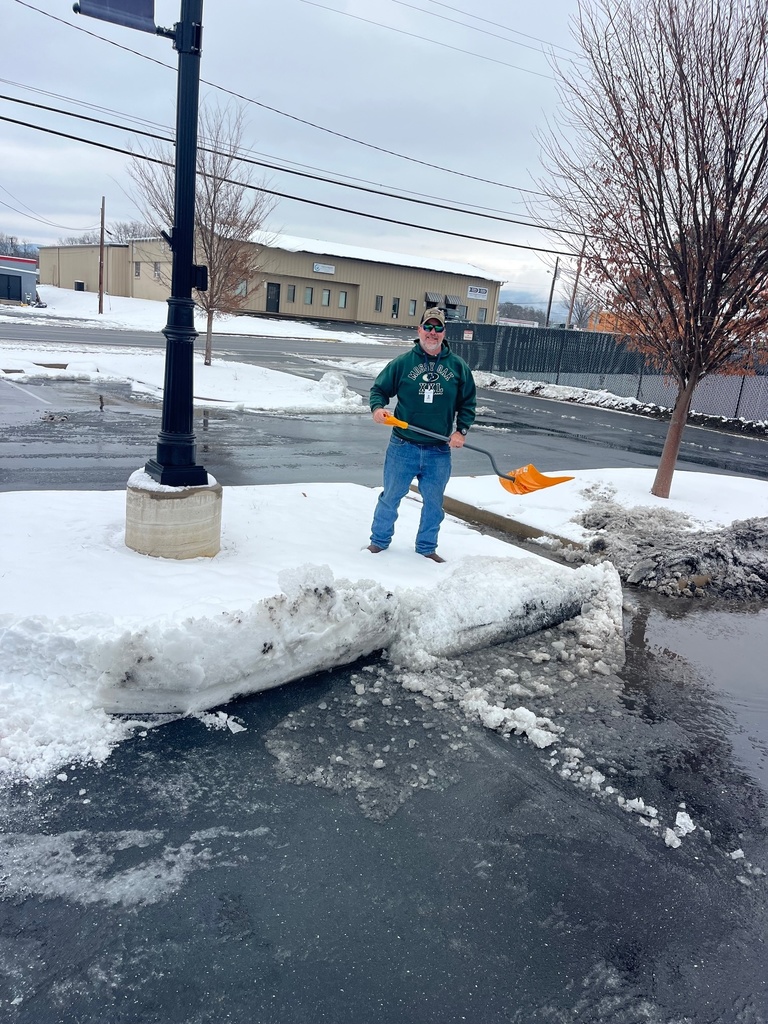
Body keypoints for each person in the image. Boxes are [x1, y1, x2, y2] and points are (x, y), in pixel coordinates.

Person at [367, 307, 476, 562]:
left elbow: (468, 402)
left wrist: (461, 431)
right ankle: (378, 542)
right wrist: (378, 408)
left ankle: (427, 548)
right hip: (403, 446)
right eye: (428, 327)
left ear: (444, 332)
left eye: (438, 328)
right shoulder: (403, 363)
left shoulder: (458, 367)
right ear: (419, 330)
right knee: (390, 496)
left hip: (438, 450)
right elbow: (379, 390)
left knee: (434, 504)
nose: (432, 332)